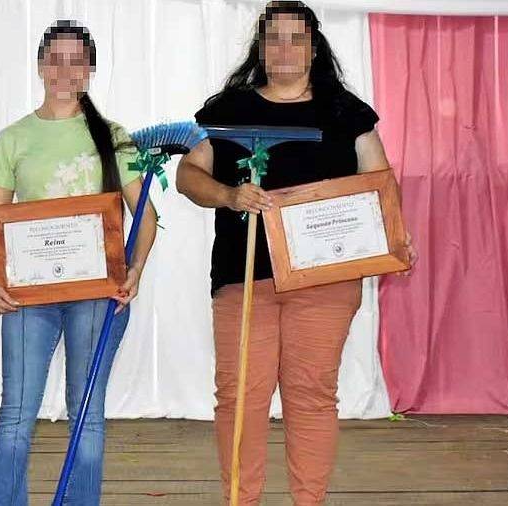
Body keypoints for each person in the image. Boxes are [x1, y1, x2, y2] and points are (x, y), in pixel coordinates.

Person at [175, 3, 417, 504]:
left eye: (296, 38)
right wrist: (228, 195)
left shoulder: (345, 112)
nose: (285, 49)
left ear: (314, 48)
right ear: (260, 48)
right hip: (244, 278)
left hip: (325, 281)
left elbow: (380, 183)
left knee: (311, 394)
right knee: (240, 397)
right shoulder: (226, 111)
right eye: (274, 38)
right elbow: (188, 175)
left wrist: (394, 237)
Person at [0, 20, 158, 506]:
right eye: (55, 59)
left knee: (87, 416)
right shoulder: (14, 138)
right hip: (27, 295)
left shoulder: (114, 136)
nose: (64, 70)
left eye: (77, 61)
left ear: (91, 69)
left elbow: (146, 215)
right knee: (16, 414)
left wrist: (135, 270)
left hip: (97, 295)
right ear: (40, 65)